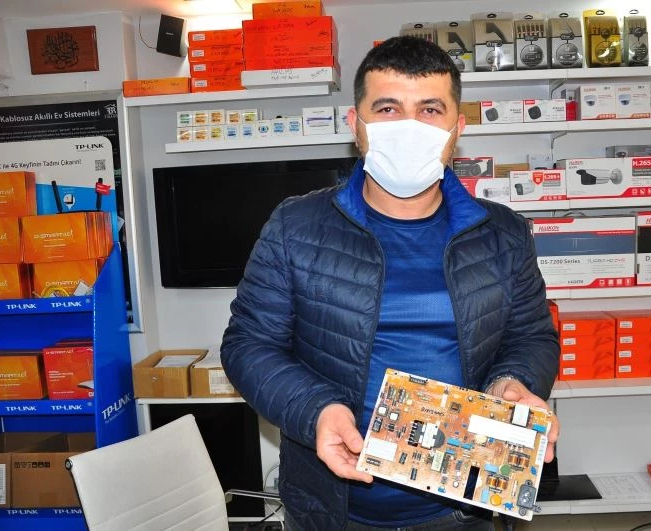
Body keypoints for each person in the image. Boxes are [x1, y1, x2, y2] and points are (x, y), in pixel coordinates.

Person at [221, 36, 560, 531]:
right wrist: (317, 410)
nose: (408, 127)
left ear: (457, 128)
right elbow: (248, 346)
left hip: (463, 504)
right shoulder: (296, 227)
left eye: (429, 110)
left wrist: (512, 383)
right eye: (387, 108)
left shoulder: (503, 232)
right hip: (332, 508)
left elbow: (532, 336)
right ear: (355, 124)